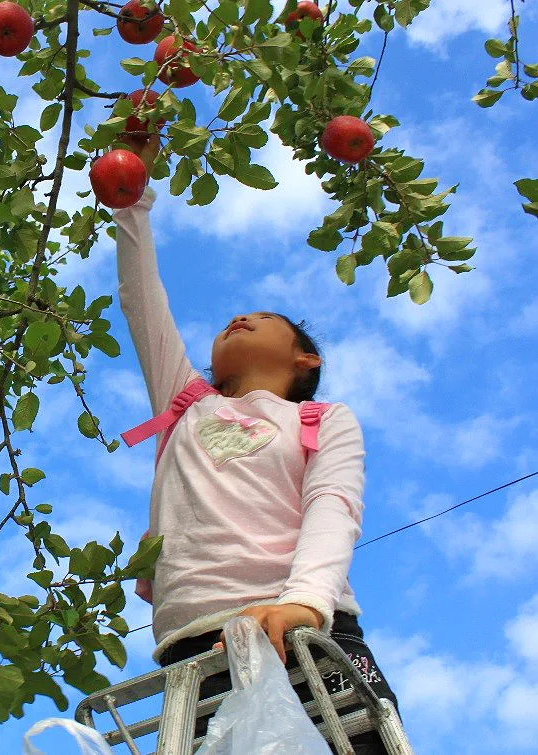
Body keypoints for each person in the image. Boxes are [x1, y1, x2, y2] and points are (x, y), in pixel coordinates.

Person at [114, 137, 399, 752]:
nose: (241, 318)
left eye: (266, 318)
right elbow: (142, 302)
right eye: (233, 317)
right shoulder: (185, 401)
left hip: (306, 630)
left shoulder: (323, 420)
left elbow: (334, 508)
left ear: (306, 356)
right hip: (196, 642)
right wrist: (131, 201)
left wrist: (303, 603)